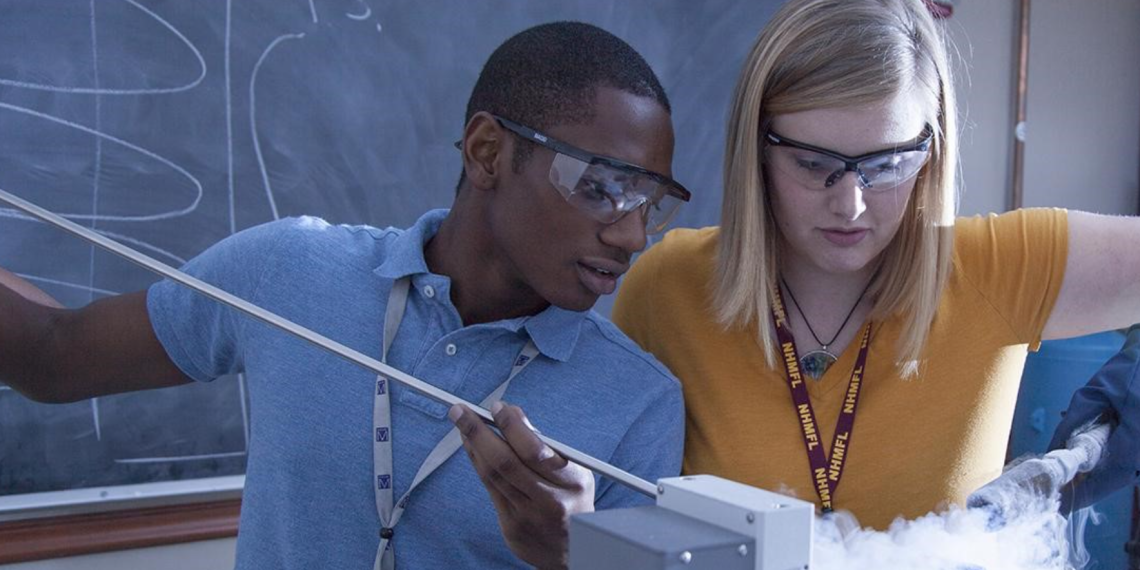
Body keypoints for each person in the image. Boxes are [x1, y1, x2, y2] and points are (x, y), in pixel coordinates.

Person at [0, 22, 689, 569]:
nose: (633, 236)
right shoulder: (292, 270)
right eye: (602, 187)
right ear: (486, 152)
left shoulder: (640, 402)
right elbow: (49, 355)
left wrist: (572, 561)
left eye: (650, 204)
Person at [612, 0, 1140, 530]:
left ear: (930, 152)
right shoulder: (669, 285)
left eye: (886, 164)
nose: (850, 205)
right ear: (758, 151)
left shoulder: (1002, 268)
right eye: (813, 163)